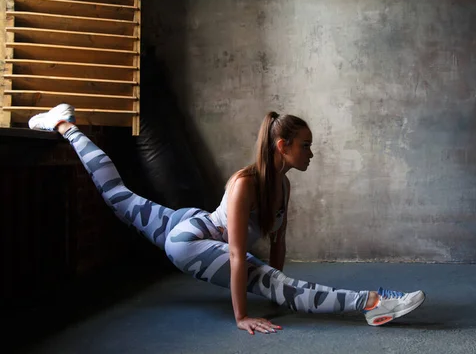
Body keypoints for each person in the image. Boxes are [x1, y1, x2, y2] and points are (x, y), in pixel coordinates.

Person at [28, 103, 426, 335]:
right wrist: (243, 315)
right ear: (282, 146)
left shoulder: (283, 187)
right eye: (305, 146)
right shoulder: (244, 184)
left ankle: (64, 125)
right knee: (267, 279)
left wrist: (277, 286)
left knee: (119, 197)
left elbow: (278, 244)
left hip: (190, 220)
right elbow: (238, 255)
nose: (311, 153)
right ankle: (372, 303)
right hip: (190, 240)